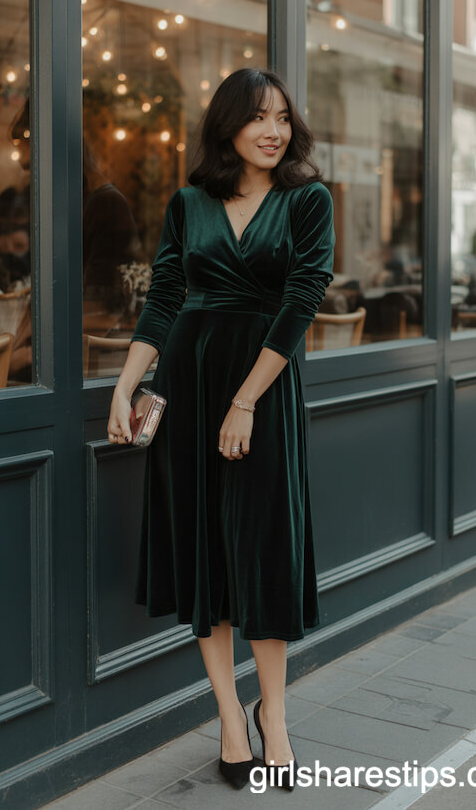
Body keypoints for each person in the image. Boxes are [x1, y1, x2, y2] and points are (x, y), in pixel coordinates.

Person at [107, 68, 335, 791]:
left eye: (283, 117)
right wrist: (126, 385)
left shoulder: (308, 200)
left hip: (260, 387)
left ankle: (276, 715)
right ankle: (231, 717)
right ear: (228, 125)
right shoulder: (189, 202)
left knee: (262, 549)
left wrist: (246, 400)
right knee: (206, 549)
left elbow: (302, 300)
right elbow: (166, 297)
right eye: (258, 117)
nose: (274, 131)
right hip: (190, 384)